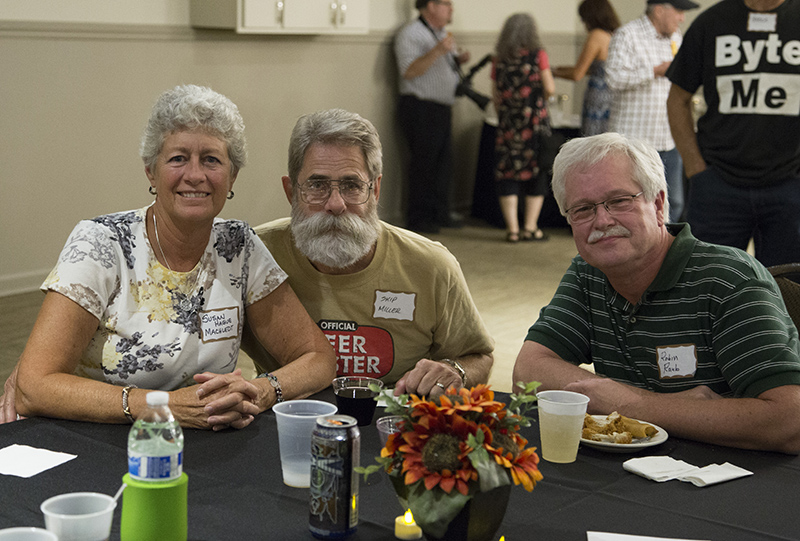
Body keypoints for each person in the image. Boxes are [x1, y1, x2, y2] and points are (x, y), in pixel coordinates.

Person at [0, 85, 336, 429]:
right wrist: (165, 407)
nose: (195, 175)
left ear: (232, 175)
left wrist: (259, 391)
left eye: (211, 160)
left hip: (206, 444)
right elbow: (35, 385)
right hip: (98, 438)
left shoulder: (238, 246)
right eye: (178, 158)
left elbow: (319, 359)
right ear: (151, 171)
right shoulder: (101, 243)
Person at [512, 132, 800, 454]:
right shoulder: (588, 274)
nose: (602, 220)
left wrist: (631, 405)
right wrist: (650, 404)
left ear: (659, 204)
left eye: (619, 201)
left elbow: (790, 420)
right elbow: (528, 372)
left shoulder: (728, 279)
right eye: (582, 209)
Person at [240, 108, 494, 397]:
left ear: (375, 190)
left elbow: (479, 357)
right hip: (285, 418)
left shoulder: (431, 266)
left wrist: (454, 370)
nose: (335, 204)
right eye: (317, 185)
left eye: (351, 186)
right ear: (291, 192)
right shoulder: (253, 255)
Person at [667, 0, 800, 268]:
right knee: (706, 285)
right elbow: (677, 99)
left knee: (789, 292)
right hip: (718, 185)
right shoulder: (712, 22)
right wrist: (696, 169)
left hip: (790, 184)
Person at [605, 0, 699, 223]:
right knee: (631, 201)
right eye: (678, 11)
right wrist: (655, 70)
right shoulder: (628, 35)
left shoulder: (676, 38)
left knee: (673, 202)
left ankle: (665, 253)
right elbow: (613, 78)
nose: (681, 18)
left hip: (669, 136)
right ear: (659, 10)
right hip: (634, 140)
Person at [395, 0, 471, 234]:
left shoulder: (440, 33)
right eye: (446, 4)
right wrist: (438, 50)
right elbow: (409, 71)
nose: (451, 9)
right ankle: (418, 218)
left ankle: (440, 212)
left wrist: (457, 60)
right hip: (420, 107)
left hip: (441, 107)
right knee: (423, 164)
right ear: (430, 5)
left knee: (443, 164)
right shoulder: (411, 33)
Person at [492, 13, 555, 243]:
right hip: (534, 123)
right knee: (536, 172)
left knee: (508, 172)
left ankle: (513, 230)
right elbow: (549, 87)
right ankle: (530, 227)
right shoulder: (538, 55)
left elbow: (496, 95)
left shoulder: (498, 59)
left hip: (508, 124)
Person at [552, 0, 621, 136]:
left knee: (592, 141)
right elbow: (594, 69)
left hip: (597, 98)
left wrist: (553, 73)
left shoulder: (596, 36)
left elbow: (578, 73)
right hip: (613, 98)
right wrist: (559, 69)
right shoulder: (615, 35)